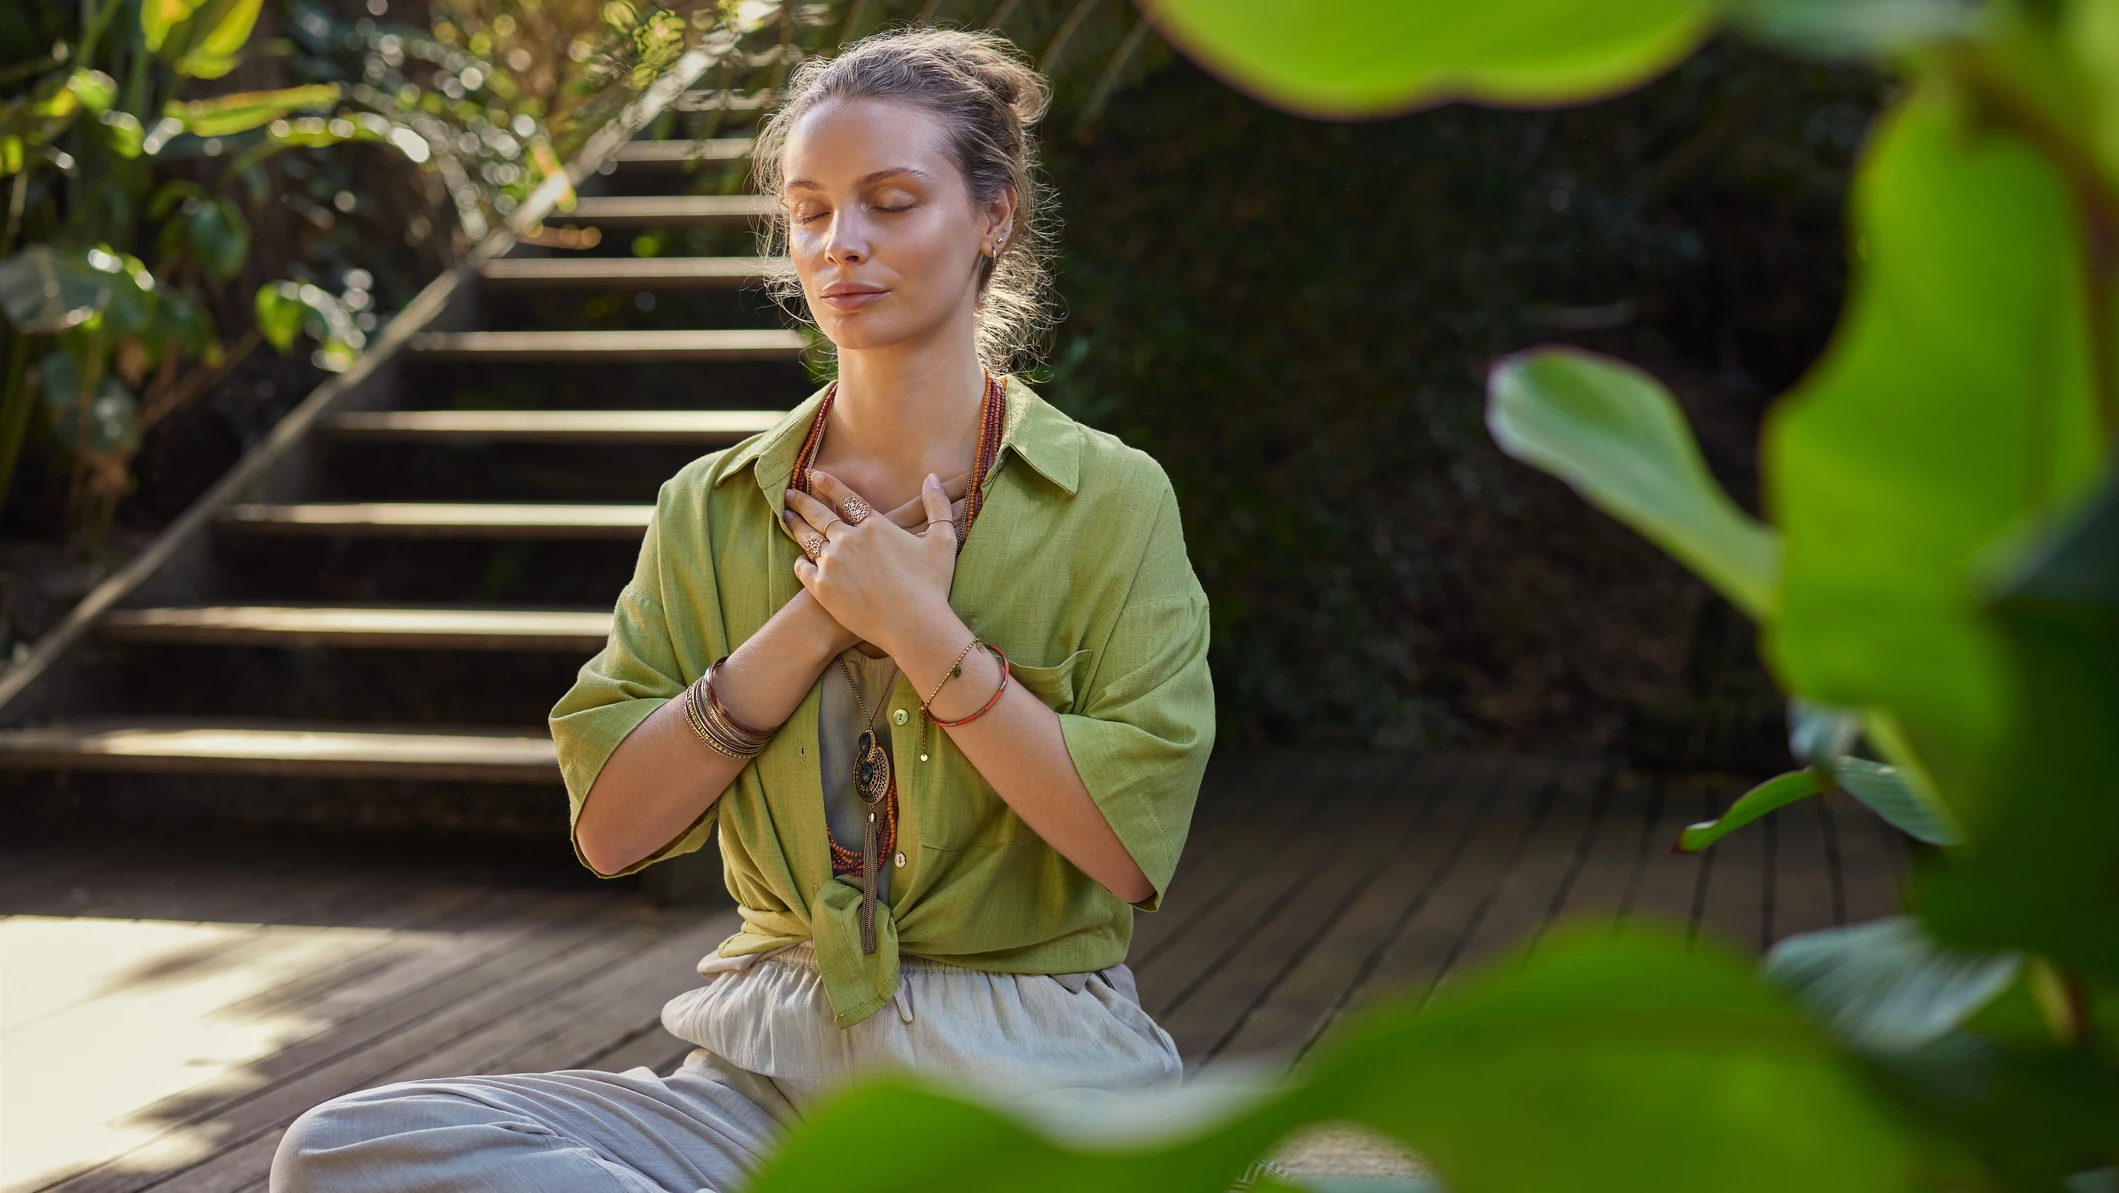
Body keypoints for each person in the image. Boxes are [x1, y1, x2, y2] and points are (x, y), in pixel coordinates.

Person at [270, 26, 1214, 1193]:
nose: (839, 242)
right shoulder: (709, 506)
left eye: (890, 202)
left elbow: (1124, 846)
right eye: (809, 210)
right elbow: (612, 831)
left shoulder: (1109, 496)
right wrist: (819, 616)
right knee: (342, 1147)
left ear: (992, 216)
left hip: (1026, 1074)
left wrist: (920, 628)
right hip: (761, 1079)